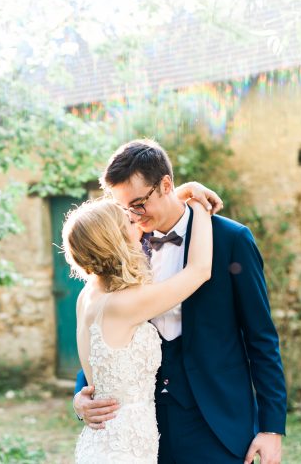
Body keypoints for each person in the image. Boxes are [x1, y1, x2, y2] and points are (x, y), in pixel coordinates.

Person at [73, 139, 287, 464]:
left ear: (165, 185)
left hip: (216, 421)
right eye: (123, 209)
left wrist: (271, 427)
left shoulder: (231, 240)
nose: (133, 217)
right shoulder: (123, 244)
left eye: (138, 204)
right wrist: (83, 394)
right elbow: (101, 330)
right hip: (143, 427)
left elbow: (261, 337)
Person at [63, 195, 213, 463]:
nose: (140, 224)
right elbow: (199, 270)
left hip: (107, 442)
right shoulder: (124, 303)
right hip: (123, 450)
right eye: (130, 221)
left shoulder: (87, 294)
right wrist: (198, 203)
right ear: (116, 239)